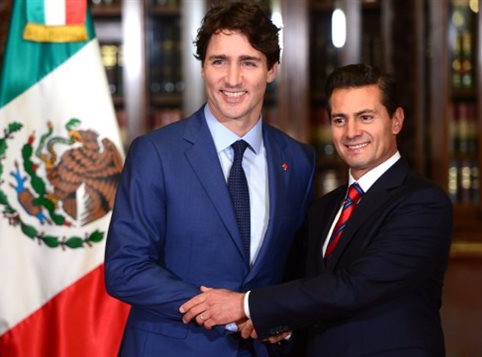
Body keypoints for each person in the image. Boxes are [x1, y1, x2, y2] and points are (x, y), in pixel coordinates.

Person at [180, 64, 453, 356]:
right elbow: (313, 292)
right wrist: (282, 325)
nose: (351, 132)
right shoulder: (324, 208)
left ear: (396, 120)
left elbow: (354, 287)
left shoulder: (422, 202)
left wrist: (245, 304)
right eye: (339, 120)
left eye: (365, 117)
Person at [104, 1, 316, 356]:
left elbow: (297, 270)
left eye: (248, 63)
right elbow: (125, 268)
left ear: (272, 70)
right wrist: (231, 311)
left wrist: (275, 315)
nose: (232, 79)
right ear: (203, 68)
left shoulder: (298, 160)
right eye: (220, 61)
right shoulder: (155, 154)